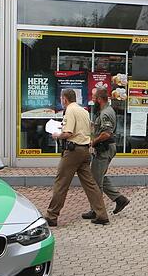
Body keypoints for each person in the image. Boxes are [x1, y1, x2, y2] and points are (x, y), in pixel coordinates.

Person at [46, 89, 108, 226]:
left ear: (65, 99)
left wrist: (57, 134)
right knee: (90, 184)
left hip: (73, 151)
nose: (61, 101)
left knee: (61, 183)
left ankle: (51, 216)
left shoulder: (70, 110)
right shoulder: (84, 111)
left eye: (62, 99)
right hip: (85, 150)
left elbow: (68, 133)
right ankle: (102, 214)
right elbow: (90, 130)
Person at [82, 87, 130, 219]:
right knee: (99, 176)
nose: (92, 100)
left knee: (95, 182)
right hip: (105, 148)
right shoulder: (104, 111)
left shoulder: (105, 113)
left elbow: (106, 133)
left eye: (93, 98)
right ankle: (119, 199)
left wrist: (93, 142)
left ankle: (97, 211)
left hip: (104, 149)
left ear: (99, 99)